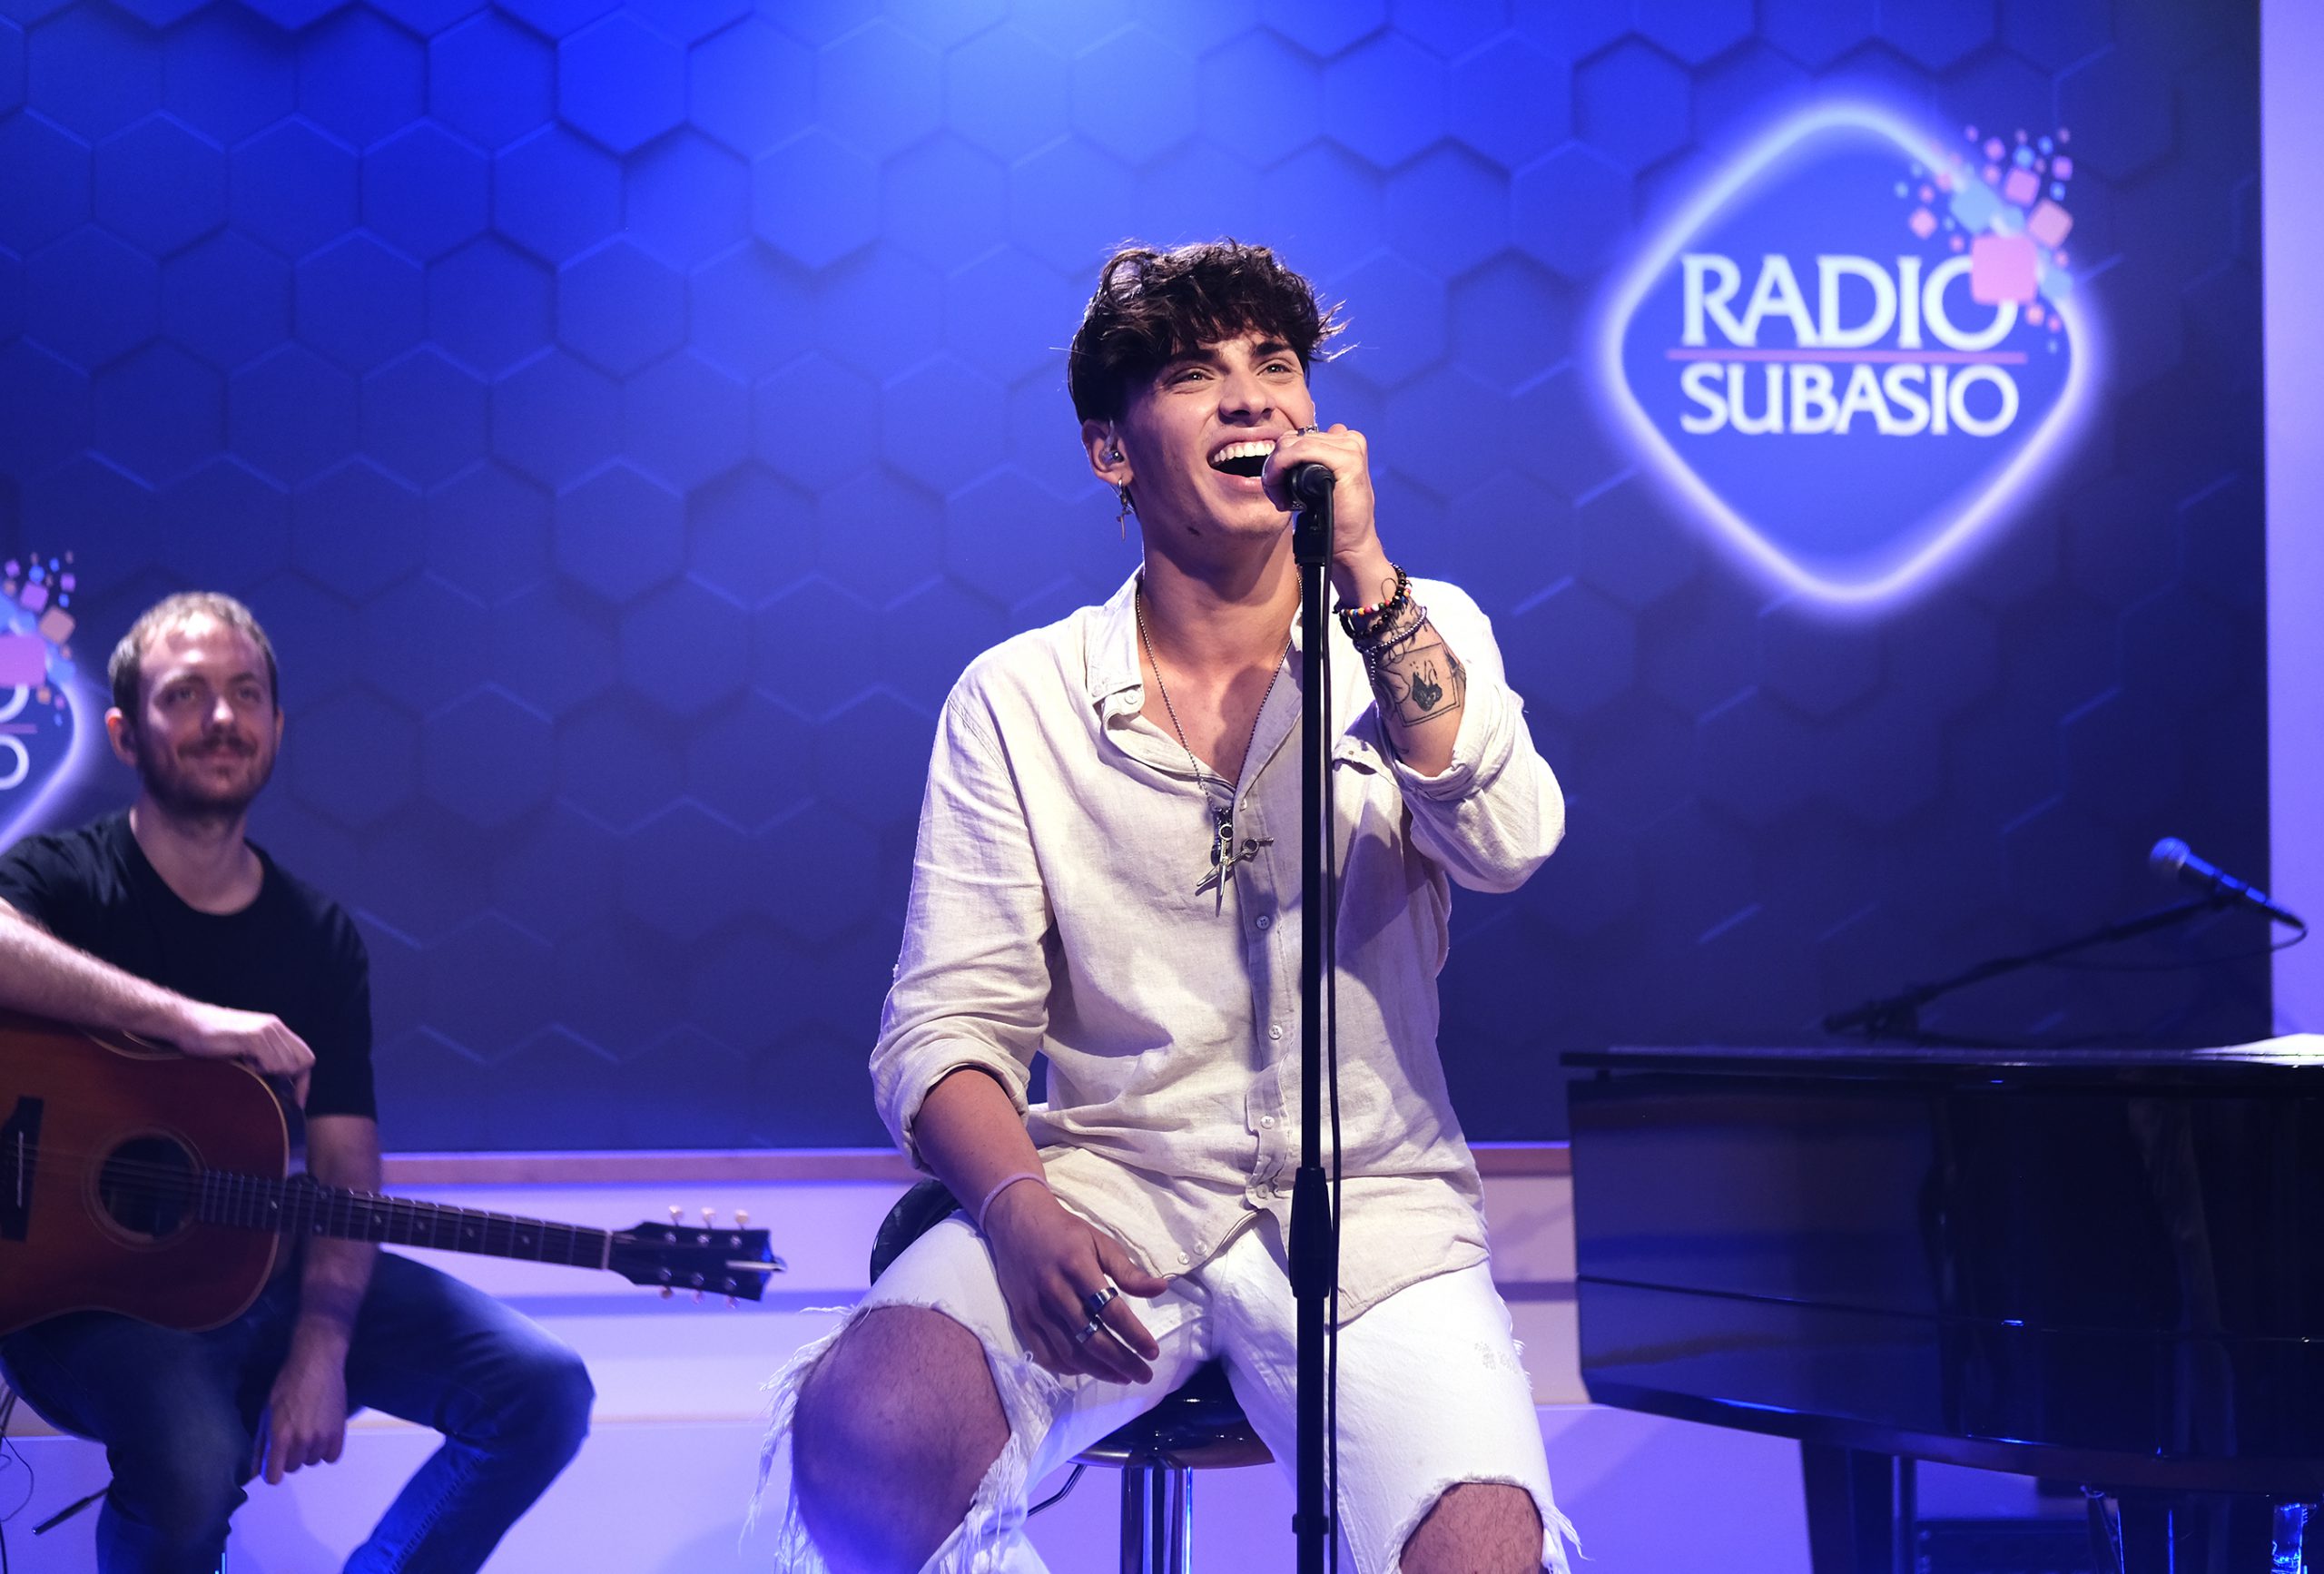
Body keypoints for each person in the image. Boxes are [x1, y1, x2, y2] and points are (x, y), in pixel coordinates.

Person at [760, 241, 1575, 1574]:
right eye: (1197, 373)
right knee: (872, 1429)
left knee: (1484, 1556)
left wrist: (1366, 577)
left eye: (1276, 364)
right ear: (1111, 452)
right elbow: (944, 1028)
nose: (1253, 397)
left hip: (1376, 1212)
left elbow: (1509, 843)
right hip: (1108, 1190)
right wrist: (1018, 1209)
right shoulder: (1018, 699)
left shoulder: (1416, 630)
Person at [0, 592, 594, 1573]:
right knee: (192, 1466)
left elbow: (345, 1165)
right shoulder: (67, 878)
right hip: (80, 1297)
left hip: (264, 1272)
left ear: (277, 726)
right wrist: (185, 1020)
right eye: (185, 694)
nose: (221, 718)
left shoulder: (317, 940)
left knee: (541, 1388)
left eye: (246, 695)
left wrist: (322, 1341)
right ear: (124, 733)